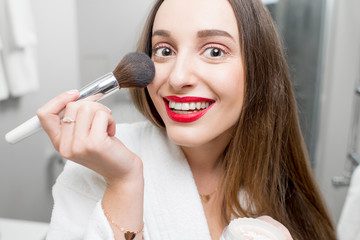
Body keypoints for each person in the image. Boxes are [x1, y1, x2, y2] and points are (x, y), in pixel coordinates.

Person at [38, 0, 337, 239]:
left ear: (259, 69)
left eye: (214, 51)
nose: (178, 77)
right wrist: (123, 185)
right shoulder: (100, 159)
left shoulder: (278, 182)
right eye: (164, 51)